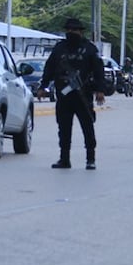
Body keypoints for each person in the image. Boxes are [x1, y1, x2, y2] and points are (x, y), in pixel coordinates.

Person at [40, 17, 106, 170]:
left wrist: (100, 90)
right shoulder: (59, 48)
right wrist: (43, 86)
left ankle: (90, 159)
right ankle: (64, 159)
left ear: (80, 32)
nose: (71, 32)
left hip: (83, 95)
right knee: (63, 128)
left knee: (87, 127)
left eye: (74, 30)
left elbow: (98, 70)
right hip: (64, 95)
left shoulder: (89, 49)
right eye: (69, 30)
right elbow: (49, 68)